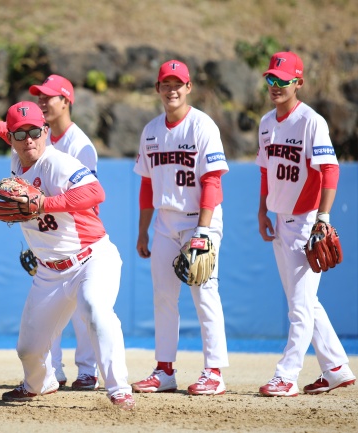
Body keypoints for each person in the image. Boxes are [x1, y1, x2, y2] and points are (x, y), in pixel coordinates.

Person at [0, 101, 135, 409]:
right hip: (49, 272)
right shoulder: (18, 154)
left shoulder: (58, 163)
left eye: (35, 132)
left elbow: (96, 193)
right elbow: (15, 133)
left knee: (95, 310)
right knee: (27, 349)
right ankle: (39, 383)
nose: (29, 140)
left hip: (91, 259)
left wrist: (43, 205)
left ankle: (119, 390)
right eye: (20, 134)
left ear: (46, 132)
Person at [0, 74, 100, 391]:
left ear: (67, 101)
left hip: (76, 236)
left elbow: (87, 200)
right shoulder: (30, 137)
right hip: (45, 236)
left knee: (85, 311)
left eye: (50, 96)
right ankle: (53, 372)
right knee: (50, 312)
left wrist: (53, 224)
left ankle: (88, 370)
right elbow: (19, 134)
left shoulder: (79, 145)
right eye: (40, 96)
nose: (43, 101)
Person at [256, 52, 356, 397]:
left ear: (298, 82)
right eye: (271, 79)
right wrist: (261, 210)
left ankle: (286, 376)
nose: (275, 86)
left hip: (305, 223)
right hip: (280, 220)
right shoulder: (267, 122)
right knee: (305, 303)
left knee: (299, 307)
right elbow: (265, 170)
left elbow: (331, 169)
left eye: (283, 80)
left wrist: (323, 219)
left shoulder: (311, 121)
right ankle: (337, 368)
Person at [131, 60, 230, 395]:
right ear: (158, 89)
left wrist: (203, 233)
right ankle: (164, 370)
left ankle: (214, 371)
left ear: (189, 87)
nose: (172, 90)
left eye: (178, 84)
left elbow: (212, 181)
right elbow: (146, 185)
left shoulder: (203, 126)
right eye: (165, 84)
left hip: (199, 221)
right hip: (164, 222)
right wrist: (143, 230)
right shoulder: (151, 130)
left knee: (204, 293)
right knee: (163, 297)